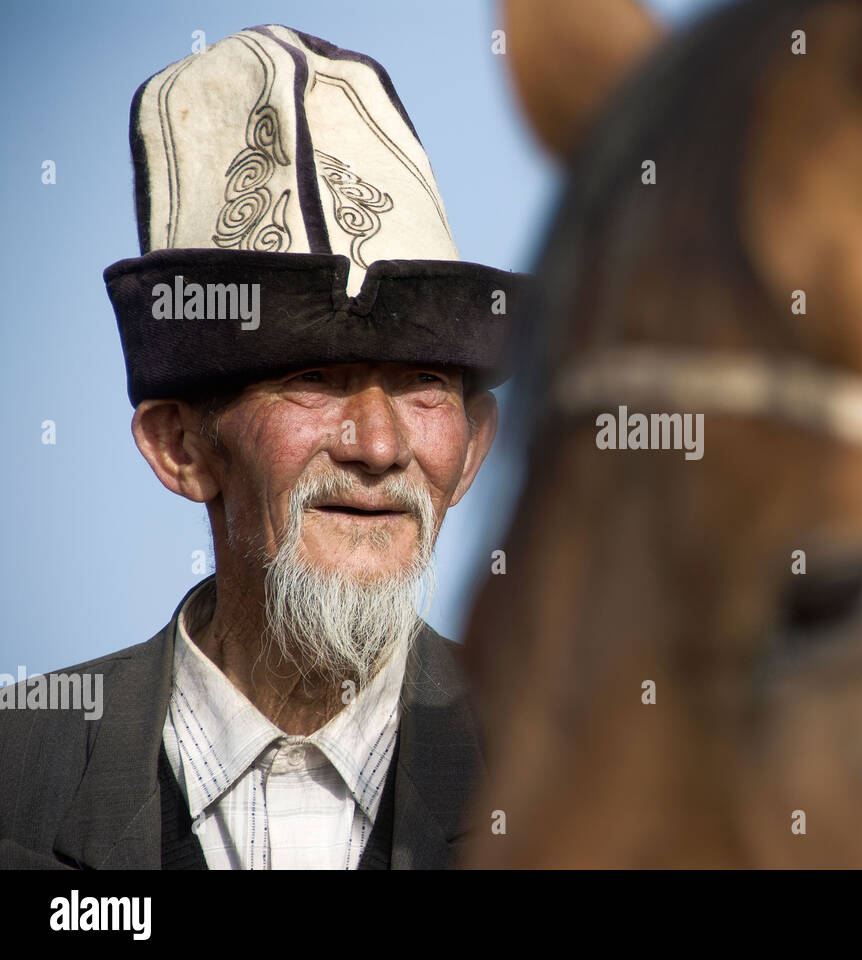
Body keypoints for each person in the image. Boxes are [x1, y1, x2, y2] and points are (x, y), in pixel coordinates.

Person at [0, 25, 523, 869]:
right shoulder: (16, 777)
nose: (380, 444)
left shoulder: (581, 776)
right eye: (313, 379)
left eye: (423, 382)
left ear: (472, 450)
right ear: (180, 448)